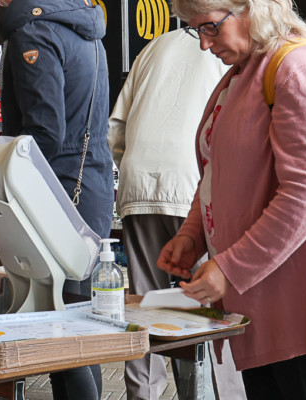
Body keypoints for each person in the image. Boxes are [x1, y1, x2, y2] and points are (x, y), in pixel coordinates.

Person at [158, 0, 306, 398]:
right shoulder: (244, 73)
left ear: (251, 8)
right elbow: (218, 173)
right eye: (195, 30)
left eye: (210, 26)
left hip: (303, 296)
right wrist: (193, 234)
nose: (204, 44)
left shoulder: (301, 69)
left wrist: (230, 269)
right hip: (261, 294)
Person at [107, 29, 240, 400]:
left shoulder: (155, 46)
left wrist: (135, 169)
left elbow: (115, 129)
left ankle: (142, 393)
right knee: (203, 302)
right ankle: (208, 394)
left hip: (138, 182)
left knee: (145, 302)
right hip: (193, 185)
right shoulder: (232, 49)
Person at [0, 0, 112, 398]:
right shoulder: (84, 27)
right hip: (90, 182)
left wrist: (0, 175)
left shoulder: (34, 32)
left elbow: (44, 132)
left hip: (56, 188)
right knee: (78, 318)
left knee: (58, 322)